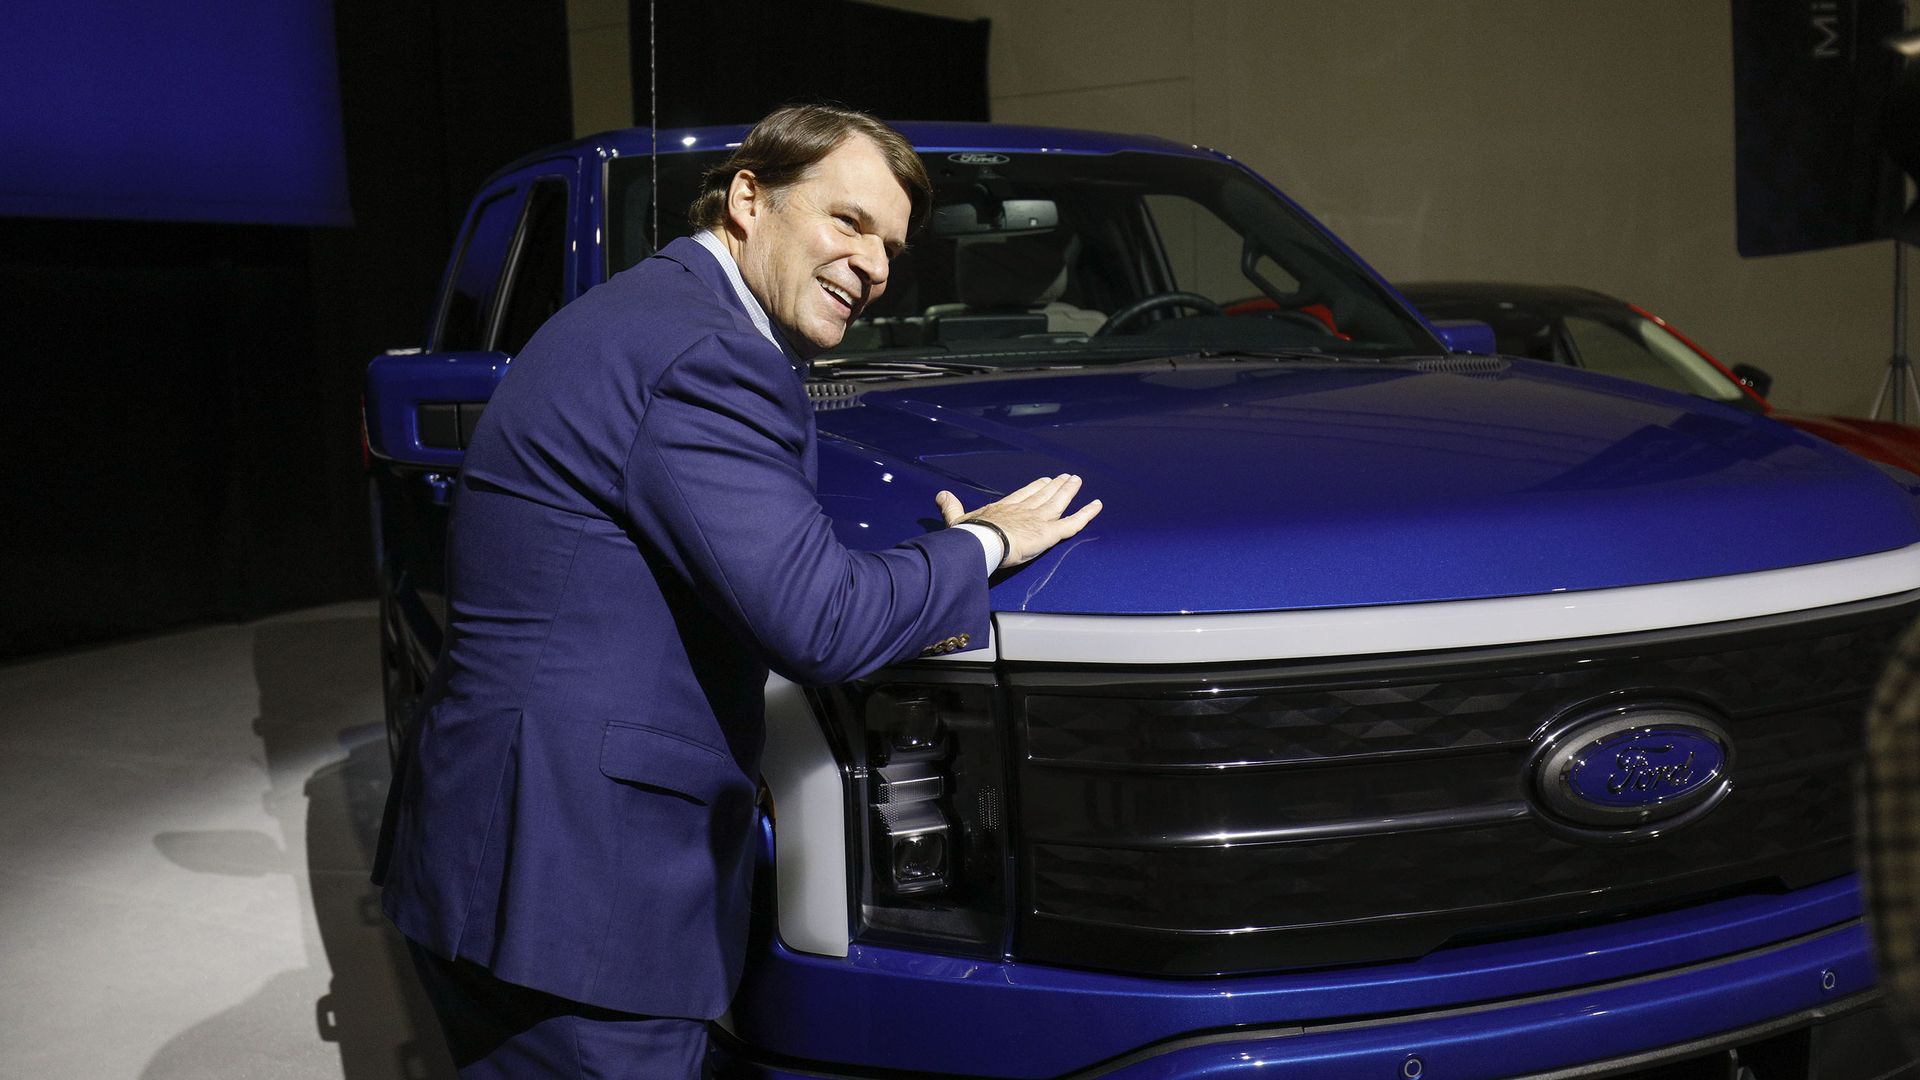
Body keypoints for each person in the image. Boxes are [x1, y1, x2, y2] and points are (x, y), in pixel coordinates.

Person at [373, 103, 1102, 1079]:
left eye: (891, 245)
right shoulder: (711, 355)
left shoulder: (643, 312)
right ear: (751, 198)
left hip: (506, 852)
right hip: (583, 896)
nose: (877, 266)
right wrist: (980, 543)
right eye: (849, 222)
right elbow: (820, 620)